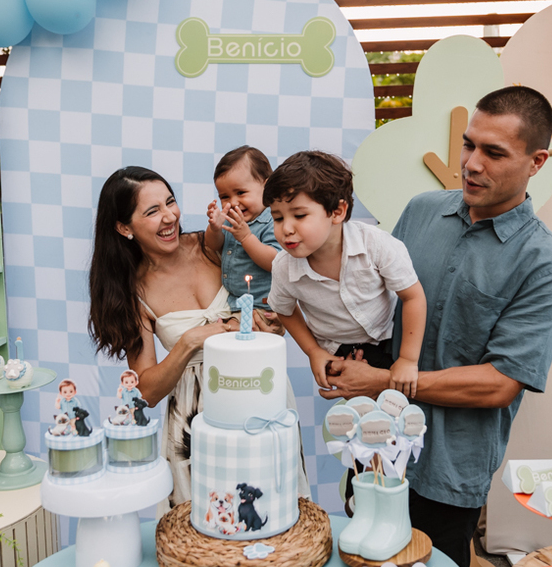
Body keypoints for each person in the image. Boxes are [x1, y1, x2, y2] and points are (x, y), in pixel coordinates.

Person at [325, 86, 552, 567]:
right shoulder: (421, 211)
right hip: (376, 445)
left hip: (450, 467)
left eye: (493, 152)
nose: (471, 164)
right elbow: (377, 309)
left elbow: (500, 384)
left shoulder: (544, 262)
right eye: (468, 144)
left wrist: (382, 381)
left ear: (536, 162)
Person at [88, 166, 309, 507]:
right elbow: (146, 392)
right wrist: (191, 340)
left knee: (274, 512)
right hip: (194, 424)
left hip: (259, 399)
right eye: (152, 211)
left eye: (170, 202)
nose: (169, 217)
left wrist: (272, 321)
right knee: (205, 525)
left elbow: (275, 288)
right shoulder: (132, 294)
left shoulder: (217, 246)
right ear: (124, 227)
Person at [264, 151, 427, 397]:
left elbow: (413, 296)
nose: (286, 228)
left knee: (398, 405)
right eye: (277, 218)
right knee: (357, 413)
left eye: (299, 215)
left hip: (391, 340)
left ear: (338, 211)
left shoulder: (376, 245)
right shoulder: (283, 267)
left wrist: (407, 359)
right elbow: (284, 310)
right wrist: (313, 351)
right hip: (337, 351)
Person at [204, 146, 280, 310]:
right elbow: (212, 245)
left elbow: (275, 263)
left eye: (241, 192)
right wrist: (215, 228)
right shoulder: (231, 220)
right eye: (225, 196)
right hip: (233, 302)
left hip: (263, 305)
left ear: (267, 187)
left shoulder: (273, 221)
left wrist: (246, 238)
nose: (233, 202)